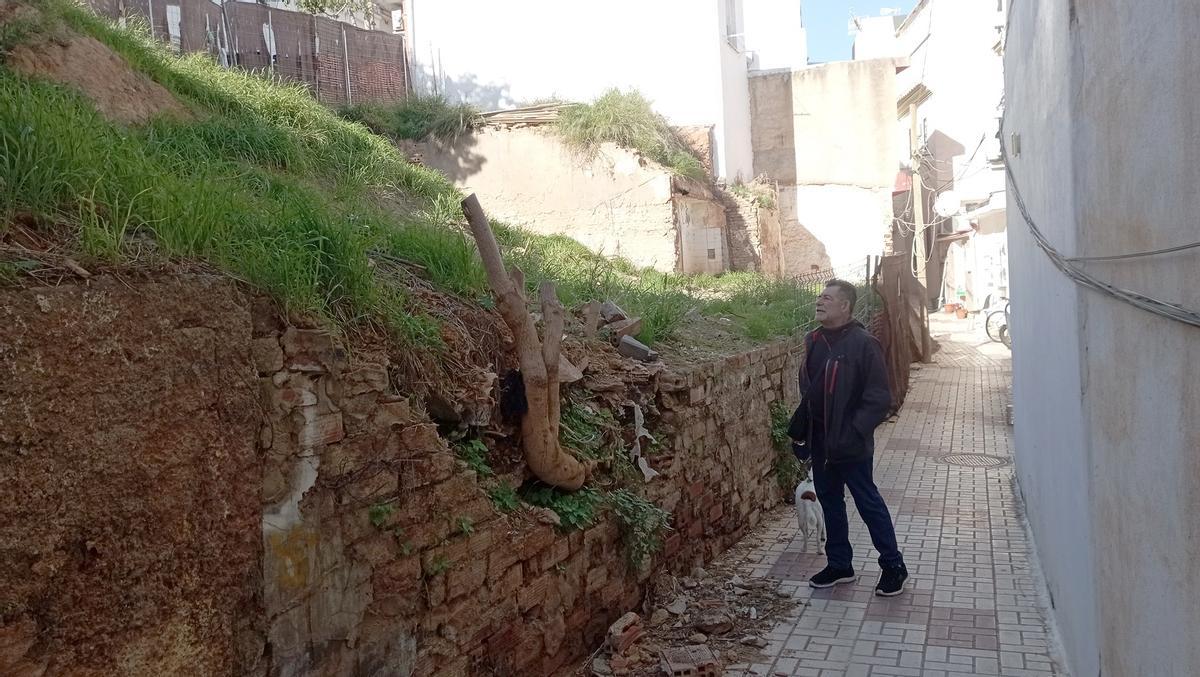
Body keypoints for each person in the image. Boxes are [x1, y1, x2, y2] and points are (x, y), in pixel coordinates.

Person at [788, 279, 908, 596]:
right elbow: (811, 390)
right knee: (830, 503)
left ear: (845, 306)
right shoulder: (812, 340)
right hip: (821, 442)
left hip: (851, 444)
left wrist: (854, 431)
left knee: (868, 503)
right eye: (819, 296)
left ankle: (893, 565)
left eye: (827, 297)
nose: (819, 301)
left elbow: (880, 397)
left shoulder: (863, 344)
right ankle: (840, 564)